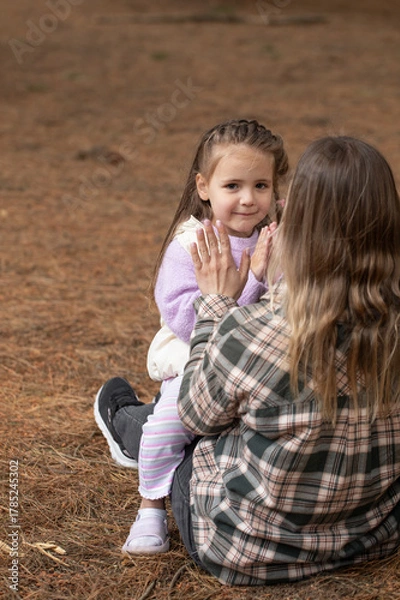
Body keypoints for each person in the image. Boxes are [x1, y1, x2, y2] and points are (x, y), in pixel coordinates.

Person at [96, 134, 400, 586]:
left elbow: (196, 414)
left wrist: (218, 305)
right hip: (371, 535)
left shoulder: (257, 330)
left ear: (299, 221)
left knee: (183, 431)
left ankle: (126, 423)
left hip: (244, 547)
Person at [94, 119, 289, 555]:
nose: (247, 198)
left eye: (260, 185)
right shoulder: (191, 244)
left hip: (255, 367)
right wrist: (252, 280)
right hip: (196, 362)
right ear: (204, 186)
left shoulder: (275, 239)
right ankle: (150, 508)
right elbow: (186, 318)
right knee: (168, 424)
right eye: (232, 185)